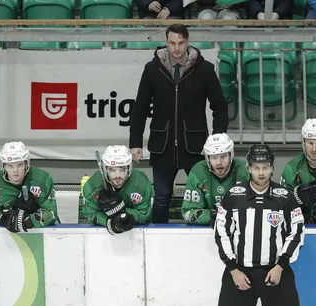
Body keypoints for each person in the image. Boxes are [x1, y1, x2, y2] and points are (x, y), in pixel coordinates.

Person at [214, 144, 306, 306]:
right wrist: (232, 269)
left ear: (272, 167)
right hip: (239, 276)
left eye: (266, 167)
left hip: (276, 275)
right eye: (257, 167)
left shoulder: (285, 196)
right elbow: (221, 232)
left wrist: (280, 265)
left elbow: (297, 231)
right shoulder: (234, 195)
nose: (261, 172)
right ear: (249, 167)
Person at [129, 24, 228, 224]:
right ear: (166, 42)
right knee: (161, 198)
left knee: (203, 198)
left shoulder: (205, 69)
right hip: (161, 145)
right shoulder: (151, 69)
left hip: (195, 146)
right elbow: (139, 108)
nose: (176, 48)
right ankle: (158, 243)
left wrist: (217, 140)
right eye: (172, 43)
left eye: (181, 43)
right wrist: (135, 142)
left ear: (188, 42)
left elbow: (220, 106)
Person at [0, 141, 58, 233]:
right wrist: (8, 215)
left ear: (26, 164)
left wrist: (29, 219)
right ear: (4, 166)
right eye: (10, 166)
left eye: (20, 165)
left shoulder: (43, 180)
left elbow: (52, 214)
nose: (15, 171)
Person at [81, 145, 153, 234]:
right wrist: (109, 222)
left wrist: (120, 211)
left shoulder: (141, 182)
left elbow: (144, 215)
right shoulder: (93, 186)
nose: (117, 175)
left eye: (122, 169)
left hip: (137, 233)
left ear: (129, 168)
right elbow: (90, 213)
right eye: (112, 170)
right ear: (105, 169)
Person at [181, 133, 249, 227]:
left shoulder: (245, 170)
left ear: (231, 155)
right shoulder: (197, 172)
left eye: (223, 156)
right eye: (214, 157)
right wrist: (214, 216)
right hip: (207, 229)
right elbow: (188, 213)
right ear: (207, 158)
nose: (219, 162)